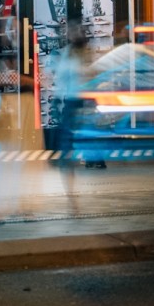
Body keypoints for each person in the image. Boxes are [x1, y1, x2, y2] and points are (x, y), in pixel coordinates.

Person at [52, 20, 101, 200]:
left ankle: (73, 192)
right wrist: (57, 100)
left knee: (77, 145)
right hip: (74, 104)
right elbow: (62, 80)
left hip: (82, 103)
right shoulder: (70, 56)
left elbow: (91, 79)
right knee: (68, 151)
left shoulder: (84, 56)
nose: (72, 34)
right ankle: (71, 194)